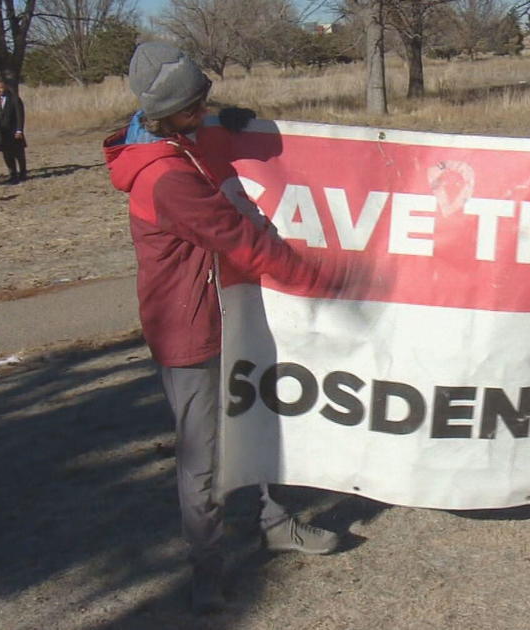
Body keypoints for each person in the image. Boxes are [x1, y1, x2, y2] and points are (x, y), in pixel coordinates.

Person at [103, 41, 353, 613]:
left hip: (233, 310)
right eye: (197, 105)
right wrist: (321, 282)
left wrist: (234, 125)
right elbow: (242, 238)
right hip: (192, 332)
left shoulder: (173, 138)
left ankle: (275, 521)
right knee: (203, 458)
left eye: (206, 99)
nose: (206, 110)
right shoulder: (165, 176)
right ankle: (206, 571)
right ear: (169, 113)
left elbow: (203, 134)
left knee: (265, 420)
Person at [0, 80, 27, 183]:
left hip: (14, 132)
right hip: (2, 133)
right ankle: (12, 174)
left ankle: (23, 173)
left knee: (19, 153)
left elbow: (20, 116)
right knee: (7, 155)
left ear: (6, 87)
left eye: (1, 88)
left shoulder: (15, 99)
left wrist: (19, 130)